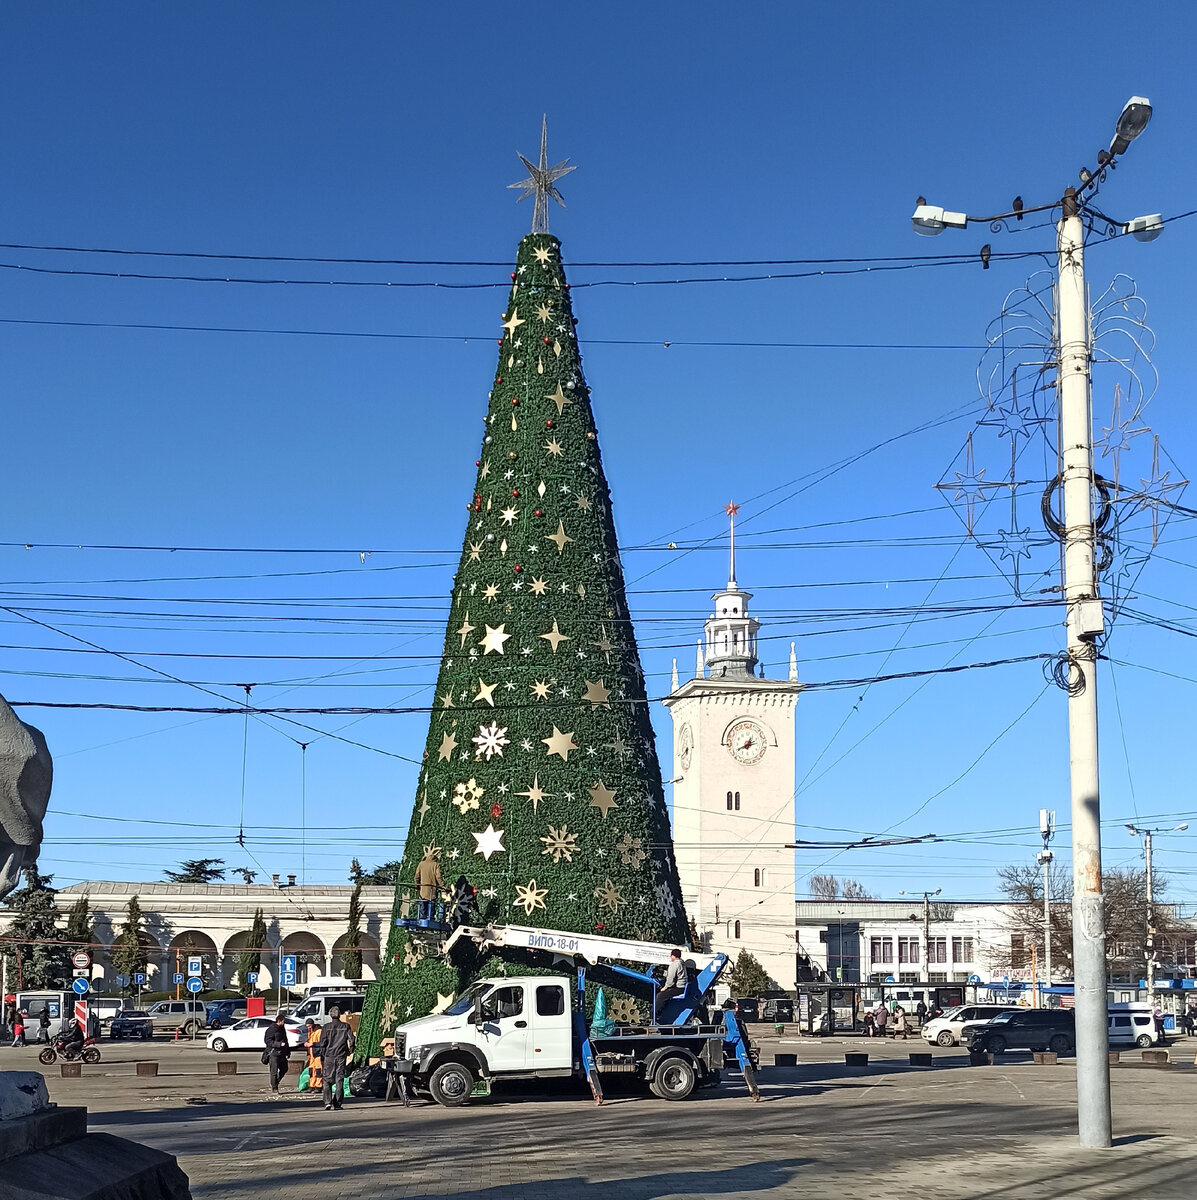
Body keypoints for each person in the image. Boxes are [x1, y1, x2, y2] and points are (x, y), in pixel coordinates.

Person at [319, 1006, 355, 1111]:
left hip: (329, 1056)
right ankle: (338, 1103)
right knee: (339, 1079)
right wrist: (350, 1051)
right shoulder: (346, 1026)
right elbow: (352, 1040)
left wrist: (323, 1054)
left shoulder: (326, 1027)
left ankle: (327, 1102)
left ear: (330, 1015)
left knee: (326, 1080)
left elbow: (323, 1043)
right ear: (339, 1015)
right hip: (341, 1056)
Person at [263, 1012, 291, 1094]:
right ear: (279, 1021)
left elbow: (285, 1039)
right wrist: (278, 1044)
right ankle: (274, 1087)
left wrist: (287, 1051)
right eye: (283, 1021)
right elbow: (267, 1041)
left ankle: (277, 1082)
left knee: (284, 1068)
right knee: (274, 1071)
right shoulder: (272, 1029)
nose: (284, 1023)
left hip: (282, 1053)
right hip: (273, 1053)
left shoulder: (282, 1028)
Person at [414, 847, 444, 922]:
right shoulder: (435, 864)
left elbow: (417, 876)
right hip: (432, 890)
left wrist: (416, 886)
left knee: (422, 907)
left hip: (423, 890)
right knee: (431, 908)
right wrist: (442, 886)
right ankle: (430, 920)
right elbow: (438, 876)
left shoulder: (421, 864)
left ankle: (422, 919)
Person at [304, 1018, 323, 1092]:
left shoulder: (319, 1031)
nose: (308, 1027)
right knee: (311, 1070)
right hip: (311, 1054)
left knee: (318, 1070)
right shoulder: (310, 1031)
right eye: (307, 1026)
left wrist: (312, 1044)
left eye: (309, 1026)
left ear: (312, 1024)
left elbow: (321, 1043)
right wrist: (306, 1043)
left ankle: (318, 1086)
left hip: (317, 1053)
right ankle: (312, 1085)